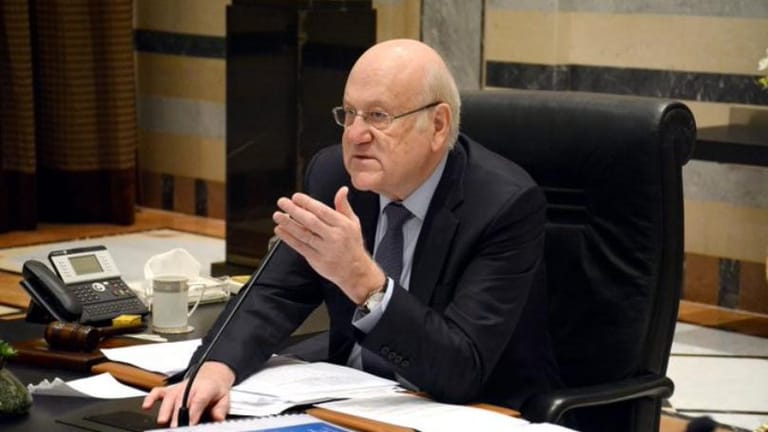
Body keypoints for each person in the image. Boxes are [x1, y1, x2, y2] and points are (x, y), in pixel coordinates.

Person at [143, 39, 562, 426]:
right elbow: (275, 291)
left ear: (438, 126)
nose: (356, 135)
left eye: (378, 116)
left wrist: (363, 280)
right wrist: (217, 366)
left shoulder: (502, 206)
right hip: (353, 402)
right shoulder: (333, 176)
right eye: (349, 113)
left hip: (474, 412)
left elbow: (461, 370)